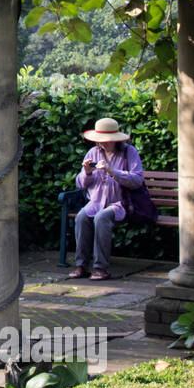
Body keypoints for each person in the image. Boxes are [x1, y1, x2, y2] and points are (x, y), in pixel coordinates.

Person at [68, 117, 145, 281]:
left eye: (107, 141)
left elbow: (137, 180)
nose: (102, 144)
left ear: (116, 140)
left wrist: (112, 172)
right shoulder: (93, 153)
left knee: (101, 218)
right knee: (82, 217)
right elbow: (81, 184)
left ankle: (100, 268)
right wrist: (87, 172)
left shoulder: (129, 152)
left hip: (120, 203)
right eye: (100, 141)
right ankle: (81, 266)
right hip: (95, 202)